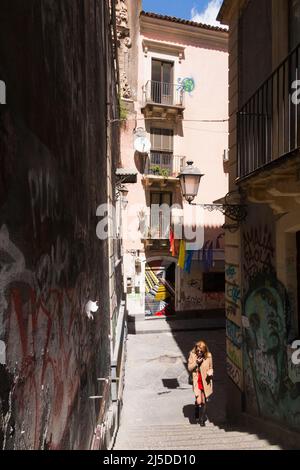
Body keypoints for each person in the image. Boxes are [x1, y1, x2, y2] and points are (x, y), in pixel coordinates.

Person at [188, 340, 213, 426]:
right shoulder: (192, 355)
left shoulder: (209, 356)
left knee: (204, 401)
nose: (199, 352)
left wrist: (210, 372)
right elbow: (189, 368)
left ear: (204, 350)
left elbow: (211, 367)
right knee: (199, 401)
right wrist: (196, 363)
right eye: (197, 350)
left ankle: (202, 420)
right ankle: (196, 407)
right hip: (197, 380)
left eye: (201, 351)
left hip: (205, 381)